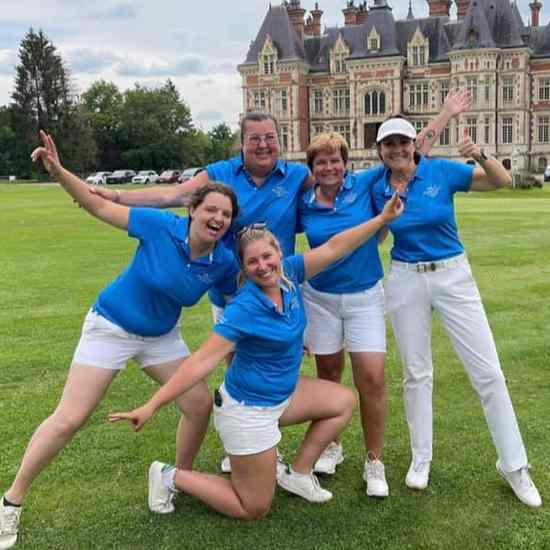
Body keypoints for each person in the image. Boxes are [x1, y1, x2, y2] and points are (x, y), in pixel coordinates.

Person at [93, 93, 472, 473]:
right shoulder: (222, 172)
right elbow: (171, 194)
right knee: (237, 370)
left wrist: (443, 117)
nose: (263, 144)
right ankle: (244, 445)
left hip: (278, 286)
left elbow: (401, 156)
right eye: (255, 138)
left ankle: (270, 445)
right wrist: (116, 194)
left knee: (273, 367)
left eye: (270, 137)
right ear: (242, 142)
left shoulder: (295, 177)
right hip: (229, 288)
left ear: (280, 141)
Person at [0, 132, 241, 550]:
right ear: (192, 209)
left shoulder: (223, 263)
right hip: (110, 326)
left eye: (226, 214)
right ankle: (11, 502)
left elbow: (237, 303)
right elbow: (97, 204)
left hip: (161, 338)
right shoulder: (161, 227)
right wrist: (58, 171)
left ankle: (175, 478)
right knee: (70, 418)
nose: (218, 218)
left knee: (199, 404)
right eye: (211, 209)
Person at [108, 192, 404, 520]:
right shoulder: (243, 308)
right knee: (253, 507)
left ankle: (299, 472)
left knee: (343, 401)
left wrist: (382, 219)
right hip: (247, 411)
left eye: (268, 256)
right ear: (244, 269)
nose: (263, 267)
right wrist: (152, 405)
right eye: (252, 262)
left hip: (283, 395)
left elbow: (336, 247)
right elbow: (201, 362)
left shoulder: (289, 274)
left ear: (279, 252)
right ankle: (169, 475)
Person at [370, 118, 542, 508]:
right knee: (416, 373)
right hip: (405, 278)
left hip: (451, 275)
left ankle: (514, 466)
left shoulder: (440, 170)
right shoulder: (377, 183)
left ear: (415, 143)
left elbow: (501, 182)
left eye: (402, 142)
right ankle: (421, 458)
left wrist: (480, 153)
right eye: (388, 144)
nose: (395, 149)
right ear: (380, 150)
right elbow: (378, 236)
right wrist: (385, 218)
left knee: (488, 372)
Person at [298, 133, 387, 497]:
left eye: (335, 160)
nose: (329, 167)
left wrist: (444, 115)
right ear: (312, 168)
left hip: (364, 295)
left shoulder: (364, 183)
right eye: (321, 162)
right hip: (319, 298)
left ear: (345, 163)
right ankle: (332, 446)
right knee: (329, 375)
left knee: (372, 378)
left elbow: (408, 154)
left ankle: (374, 462)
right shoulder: (304, 202)